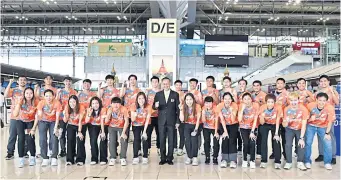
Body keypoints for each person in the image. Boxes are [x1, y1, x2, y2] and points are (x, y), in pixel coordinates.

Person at [152, 77, 180, 165]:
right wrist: (155, 106)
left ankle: (170, 158)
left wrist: (178, 121)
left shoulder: (175, 94)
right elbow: (154, 106)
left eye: (167, 83)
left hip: (172, 121)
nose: (166, 85)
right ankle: (163, 158)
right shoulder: (158, 94)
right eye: (164, 84)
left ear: (170, 83)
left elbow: (177, 109)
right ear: (162, 84)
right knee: (162, 139)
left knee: (171, 140)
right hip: (161, 121)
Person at [305, 92, 335, 170]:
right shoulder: (310, 105)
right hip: (311, 126)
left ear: (326, 101)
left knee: (327, 143)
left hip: (323, 126)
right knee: (308, 143)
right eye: (320, 100)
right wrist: (310, 118)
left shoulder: (330, 108)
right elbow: (304, 118)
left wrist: (327, 133)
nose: (321, 102)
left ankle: (327, 162)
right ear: (316, 100)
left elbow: (330, 121)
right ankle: (307, 161)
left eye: (324, 101)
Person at [314, 75, 339, 165]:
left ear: (328, 82)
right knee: (320, 137)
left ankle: (333, 156)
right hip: (319, 118)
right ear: (319, 83)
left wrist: (332, 92)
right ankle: (321, 154)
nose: (323, 83)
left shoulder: (333, 91)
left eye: (325, 81)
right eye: (321, 81)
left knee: (330, 136)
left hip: (329, 118)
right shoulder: (317, 92)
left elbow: (337, 102)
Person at [13, 87, 39, 168]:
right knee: (21, 139)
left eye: (31, 93)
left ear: (33, 94)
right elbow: (15, 114)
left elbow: (37, 116)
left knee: (30, 138)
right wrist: (18, 105)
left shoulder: (36, 102)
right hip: (20, 121)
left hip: (30, 122)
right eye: (27, 93)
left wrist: (34, 128)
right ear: (24, 94)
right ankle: (21, 159)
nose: (29, 95)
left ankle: (32, 157)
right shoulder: (20, 101)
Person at [36, 89, 62, 166]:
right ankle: (45, 158)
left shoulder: (57, 103)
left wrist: (56, 127)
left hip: (53, 121)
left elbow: (57, 116)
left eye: (50, 96)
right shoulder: (41, 103)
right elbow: (39, 114)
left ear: (53, 96)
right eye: (46, 96)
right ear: (44, 96)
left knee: (54, 138)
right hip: (43, 121)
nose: (48, 98)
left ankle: (54, 157)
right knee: (42, 139)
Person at [282, 92, 308, 171]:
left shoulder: (303, 109)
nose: (293, 102)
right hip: (289, 129)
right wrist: (286, 121)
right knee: (288, 145)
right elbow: (284, 125)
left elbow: (304, 124)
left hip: (300, 129)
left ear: (298, 100)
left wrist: (302, 138)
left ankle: (300, 162)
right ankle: (289, 162)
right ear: (289, 101)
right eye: (291, 100)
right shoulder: (286, 109)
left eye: (295, 100)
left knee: (301, 144)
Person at [4, 76, 27, 160]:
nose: (22, 81)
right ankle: (10, 152)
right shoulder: (14, 90)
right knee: (12, 135)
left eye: (24, 80)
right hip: (14, 116)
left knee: (24, 136)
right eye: (21, 80)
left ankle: (24, 152)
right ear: (17, 81)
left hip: (25, 117)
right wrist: (10, 83)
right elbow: (6, 95)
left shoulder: (28, 91)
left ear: (26, 82)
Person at [258, 94, 282, 169]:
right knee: (263, 141)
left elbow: (278, 120)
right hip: (265, 124)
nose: (270, 104)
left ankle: (277, 161)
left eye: (272, 102)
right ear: (266, 102)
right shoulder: (262, 108)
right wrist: (262, 116)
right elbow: (261, 123)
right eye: (268, 102)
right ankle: (263, 160)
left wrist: (276, 133)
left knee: (276, 140)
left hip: (275, 124)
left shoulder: (278, 107)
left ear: (275, 102)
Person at [56, 76, 77, 158]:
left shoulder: (74, 92)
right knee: (62, 133)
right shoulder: (61, 92)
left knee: (72, 134)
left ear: (71, 83)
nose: (68, 83)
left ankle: (72, 150)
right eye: (66, 81)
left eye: (69, 81)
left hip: (72, 116)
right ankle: (63, 150)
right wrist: (58, 94)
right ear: (64, 82)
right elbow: (57, 101)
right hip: (62, 116)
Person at [105, 97, 129, 166]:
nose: (116, 105)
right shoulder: (110, 109)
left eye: (118, 103)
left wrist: (124, 133)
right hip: (112, 127)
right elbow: (106, 121)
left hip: (122, 126)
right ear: (111, 104)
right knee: (112, 141)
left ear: (120, 104)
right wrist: (109, 114)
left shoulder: (124, 109)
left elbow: (127, 121)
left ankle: (123, 158)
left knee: (123, 140)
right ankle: (112, 157)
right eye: (114, 103)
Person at [217, 92, 238, 168]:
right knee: (225, 140)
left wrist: (231, 110)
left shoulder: (234, 105)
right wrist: (225, 131)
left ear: (231, 99)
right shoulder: (219, 106)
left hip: (233, 124)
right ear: (223, 99)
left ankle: (233, 160)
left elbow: (232, 119)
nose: (227, 100)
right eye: (225, 98)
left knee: (232, 141)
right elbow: (222, 119)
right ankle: (224, 159)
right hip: (223, 125)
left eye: (229, 98)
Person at [238, 92, 259, 169]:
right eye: (245, 99)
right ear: (243, 100)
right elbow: (239, 120)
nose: (247, 101)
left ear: (251, 99)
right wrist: (242, 109)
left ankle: (252, 160)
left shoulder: (256, 105)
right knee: (246, 143)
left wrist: (252, 132)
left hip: (253, 127)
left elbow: (256, 119)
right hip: (243, 128)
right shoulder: (241, 106)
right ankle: (244, 160)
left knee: (252, 143)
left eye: (248, 99)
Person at [179, 93, 201, 166]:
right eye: (187, 100)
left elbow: (198, 119)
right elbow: (182, 119)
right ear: (185, 100)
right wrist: (180, 110)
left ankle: (195, 157)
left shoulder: (197, 106)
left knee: (194, 140)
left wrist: (196, 130)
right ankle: (189, 157)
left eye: (190, 99)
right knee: (187, 141)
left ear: (193, 100)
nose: (189, 101)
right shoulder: (183, 106)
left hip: (195, 125)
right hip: (186, 125)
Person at [63, 95, 86, 166]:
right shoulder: (67, 107)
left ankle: (80, 159)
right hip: (71, 124)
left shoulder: (81, 107)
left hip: (81, 124)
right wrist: (64, 114)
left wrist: (79, 132)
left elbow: (80, 121)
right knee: (70, 141)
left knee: (80, 140)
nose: (72, 103)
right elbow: (65, 120)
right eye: (70, 102)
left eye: (74, 102)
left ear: (77, 102)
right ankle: (70, 159)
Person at [130, 92, 152, 165]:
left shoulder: (148, 106)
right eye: (139, 98)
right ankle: (135, 157)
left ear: (145, 99)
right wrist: (135, 115)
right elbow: (132, 120)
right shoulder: (133, 106)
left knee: (145, 139)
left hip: (146, 124)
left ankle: (145, 157)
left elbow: (148, 118)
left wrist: (144, 131)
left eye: (143, 98)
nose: (141, 100)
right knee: (136, 139)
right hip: (136, 125)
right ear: (137, 99)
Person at [85, 97, 107, 165]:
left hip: (102, 125)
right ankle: (94, 158)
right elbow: (86, 121)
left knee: (103, 140)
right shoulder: (89, 110)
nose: (95, 105)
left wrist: (102, 132)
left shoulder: (103, 109)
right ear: (91, 104)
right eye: (93, 103)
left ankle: (103, 158)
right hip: (92, 125)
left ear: (99, 103)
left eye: (97, 103)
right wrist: (89, 113)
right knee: (93, 140)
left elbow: (102, 121)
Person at [272, 78, 289, 160]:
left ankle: (285, 152)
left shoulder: (287, 94)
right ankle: (275, 152)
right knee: (275, 136)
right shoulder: (272, 94)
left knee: (285, 137)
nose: (279, 85)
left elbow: (290, 106)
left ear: (284, 84)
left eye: (281, 83)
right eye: (278, 83)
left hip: (284, 119)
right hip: (275, 119)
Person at [251, 80, 267, 159]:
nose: (256, 87)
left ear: (260, 86)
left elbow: (266, 106)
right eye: (254, 85)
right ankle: (251, 151)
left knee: (260, 136)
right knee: (253, 134)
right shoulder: (251, 95)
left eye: (257, 85)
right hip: (252, 117)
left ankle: (259, 152)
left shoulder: (264, 95)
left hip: (260, 118)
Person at [201, 96, 219, 165]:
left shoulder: (215, 109)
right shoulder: (203, 109)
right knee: (206, 142)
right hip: (206, 128)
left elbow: (217, 121)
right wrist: (203, 113)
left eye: (209, 103)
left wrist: (216, 132)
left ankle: (215, 157)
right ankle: (207, 157)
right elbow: (203, 121)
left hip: (215, 128)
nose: (208, 105)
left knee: (216, 143)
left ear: (212, 103)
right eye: (206, 103)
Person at [145, 76, 160, 155]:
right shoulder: (148, 92)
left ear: (158, 82)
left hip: (159, 116)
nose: (154, 83)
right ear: (151, 83)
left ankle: (159, 148)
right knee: (148, 133)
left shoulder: (161, 92)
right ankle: (148, 149)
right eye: (153, 82)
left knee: (159, 133)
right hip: (149, 116)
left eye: (156, 81)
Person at [174, 80, 185, 156]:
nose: (178, 86)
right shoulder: (172, 94)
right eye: (177, 85)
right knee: (173, 132)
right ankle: (174, 147)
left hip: (182, 115)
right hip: (173, 116)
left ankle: (180, 148)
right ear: (175, 86)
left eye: (179, 85)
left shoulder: (184, 94)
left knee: (182, 133)